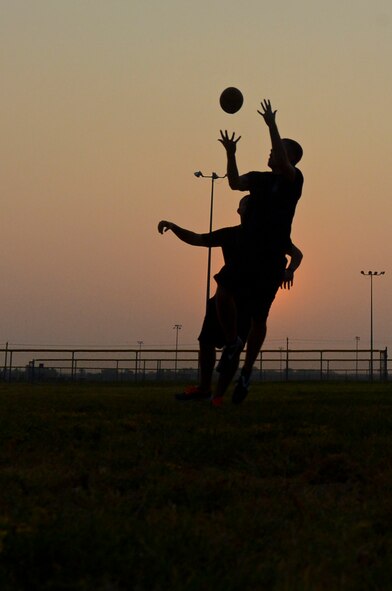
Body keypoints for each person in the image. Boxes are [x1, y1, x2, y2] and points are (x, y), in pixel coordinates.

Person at [158, 195, 303, 405]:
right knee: (207, 342)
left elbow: (296, 254)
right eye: (242, 206)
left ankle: (217, 396)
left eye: (243, 206)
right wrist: (173, 226)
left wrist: (289, 270)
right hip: (222, 302)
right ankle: (205, 389)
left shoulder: (270, 236)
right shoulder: (232, 234)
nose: (240, 210)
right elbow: (197, 238)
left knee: (233, 348)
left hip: (245, 304)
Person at [215, 98, 304, 396]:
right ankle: (232, 344)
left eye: (277, 150)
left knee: (258, 319)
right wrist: (231, 154)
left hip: (271, 257)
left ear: (288, 156)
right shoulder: (261, 180)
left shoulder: (294, 180)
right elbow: (234, 183)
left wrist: (272, 125)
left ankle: (247, 371)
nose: (271, 152)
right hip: (248, 253)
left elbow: (282, 157)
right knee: (223, 294)